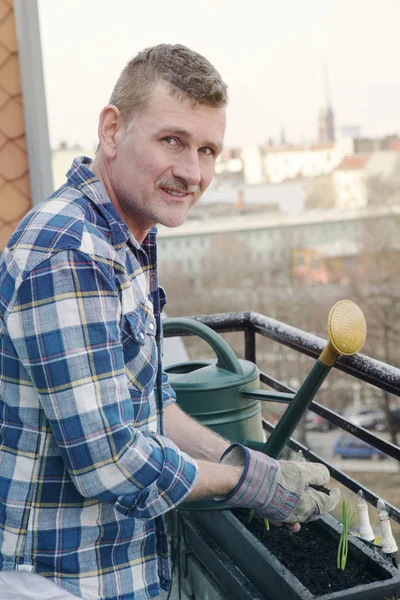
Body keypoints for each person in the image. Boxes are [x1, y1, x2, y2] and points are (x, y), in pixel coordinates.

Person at [0, 44, 340, 600]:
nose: (192, 171)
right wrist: (251, 485)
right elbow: (110, 462)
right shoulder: (69, 253)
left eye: (208, 149)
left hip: (108, 569)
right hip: (57, 579)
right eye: (172, 140)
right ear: (112, 130)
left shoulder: (125, 237)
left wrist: (236, 459)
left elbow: (151, 406)